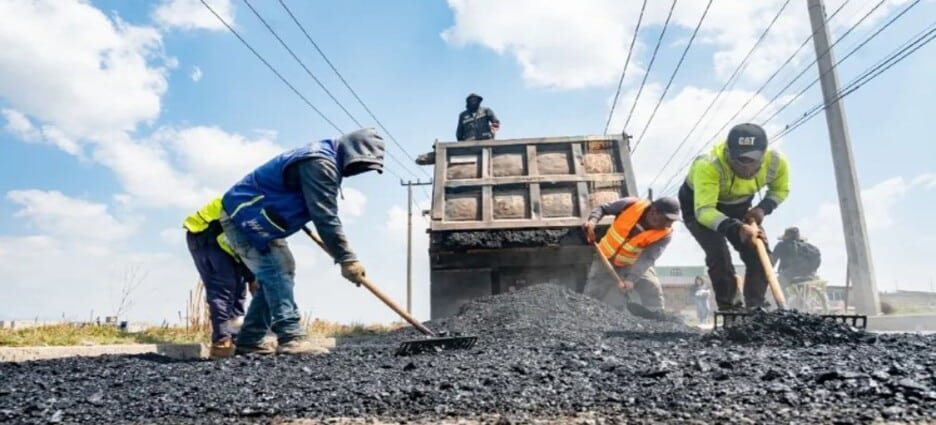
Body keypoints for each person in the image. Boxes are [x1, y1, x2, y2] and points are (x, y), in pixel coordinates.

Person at [219, 128, 384, 355]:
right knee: (277, 270)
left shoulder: (322, 156)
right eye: (362, 164)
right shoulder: (320, 163)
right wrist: (347, 258)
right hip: (244, 216)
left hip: (255, 217)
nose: (360, 170)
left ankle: (250, 339)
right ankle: (291, 337)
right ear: (353, 151)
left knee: (276, 273)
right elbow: (325, 216)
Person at [678, 123, 790, 312]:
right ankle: (731, 308)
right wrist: (736, 228)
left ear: (763, 154)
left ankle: (755, 307)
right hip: (700, 205)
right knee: (719, 255)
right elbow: (705, 212)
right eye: (739, 160)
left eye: (751, 160)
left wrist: (762, 209)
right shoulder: (708, 164)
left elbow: (780, 190)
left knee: (760, 254)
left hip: (739, 205)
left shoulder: (776, 162)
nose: (745, 166)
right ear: (728, 152)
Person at [183, 197, 257, 358]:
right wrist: (253, 278)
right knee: (223, 288)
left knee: (239, 289)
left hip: (226, 237)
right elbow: (249, 248)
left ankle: (235, 338)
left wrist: (251, 278)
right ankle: (221, 342)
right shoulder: (254, 207)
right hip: (207, 231)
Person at [582, 197, 681, 311]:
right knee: (592, 293)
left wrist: (631, 279)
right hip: (604, 258)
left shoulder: (665, 234)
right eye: (667, 219)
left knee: (652, 288)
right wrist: (592, 221)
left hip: (632, 263)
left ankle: (657, 315)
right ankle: (585, 313)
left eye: (672, 221)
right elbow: (603, 208)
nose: (669, 224)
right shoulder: (632, 204)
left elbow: (647, 258)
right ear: (654, 212)